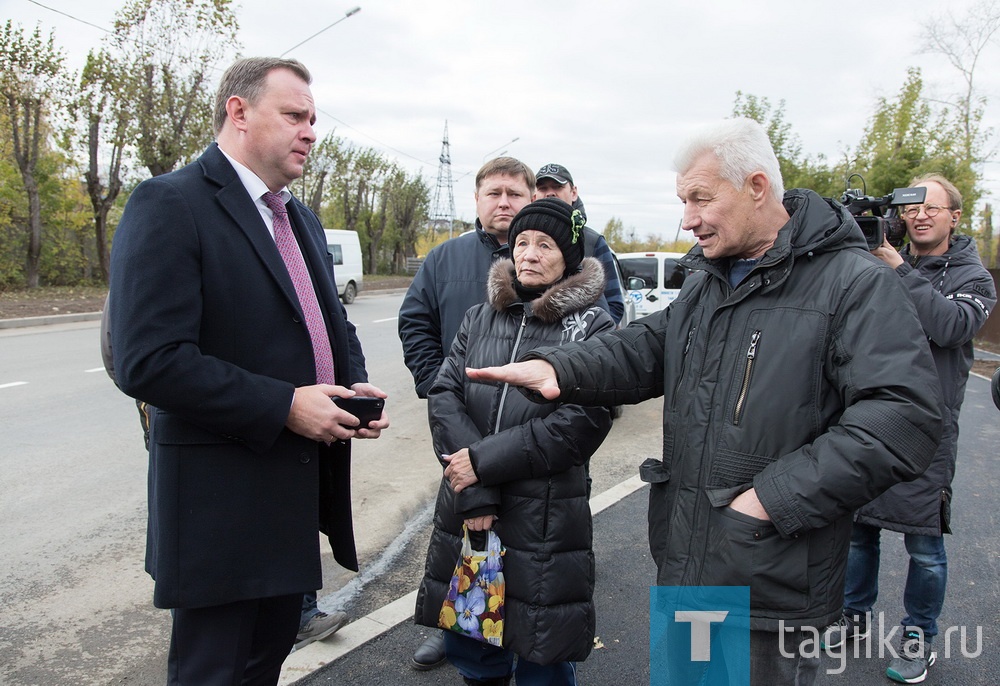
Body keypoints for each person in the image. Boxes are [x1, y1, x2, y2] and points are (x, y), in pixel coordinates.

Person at [465, 118, 944, 685]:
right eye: (682, 199)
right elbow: (649, 347)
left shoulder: (852, 283)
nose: (687, 218)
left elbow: (902, 415)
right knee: (690, 679)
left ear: (758, 187)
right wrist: (559, 367)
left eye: (700, 199)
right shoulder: (708, 279)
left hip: (769, 581)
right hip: (691, 567)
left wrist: (771, 500)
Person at [108, 56, 388, 685]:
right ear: (238, 112)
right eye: (294, 115)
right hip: (221, 511)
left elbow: (329, 322)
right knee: (216, 673)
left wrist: (351, 388)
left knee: (263, 667)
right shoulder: (170, 203)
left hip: (292, 500)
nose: (311, 130)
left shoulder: (299, 216)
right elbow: (147, 359)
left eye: (313, 118)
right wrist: (285, 404)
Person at [414, 197, 615, 686]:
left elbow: (581, 422)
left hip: (544, 514)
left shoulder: (593, 326)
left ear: (568, 256)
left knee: (542, 650)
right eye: (521, 242)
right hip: (473, 506)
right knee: (475, 643)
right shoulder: (480, 317)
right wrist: (476, 489)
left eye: (544, 244)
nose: (527, 254)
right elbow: (444, 395)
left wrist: (481, 464)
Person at [824, 173, 995, 683]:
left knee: (924, 544)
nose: (920, 216)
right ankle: (854, 615)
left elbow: (951, 327)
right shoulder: (879, 257)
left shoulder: (974, 277)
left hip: (927, 427)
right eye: (913, 209)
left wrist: (898, 269)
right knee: (859, 531)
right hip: (870, 415)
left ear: (954, 217)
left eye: (932, 208)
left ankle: (919, 634)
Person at [534, 163, 625, 324]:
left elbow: (615, 305)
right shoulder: (522, 242)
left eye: (557, 187)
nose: (550, 193)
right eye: (543, 188)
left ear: (573, 192)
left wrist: (589, 337)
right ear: (534, 195)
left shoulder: (592, 241)